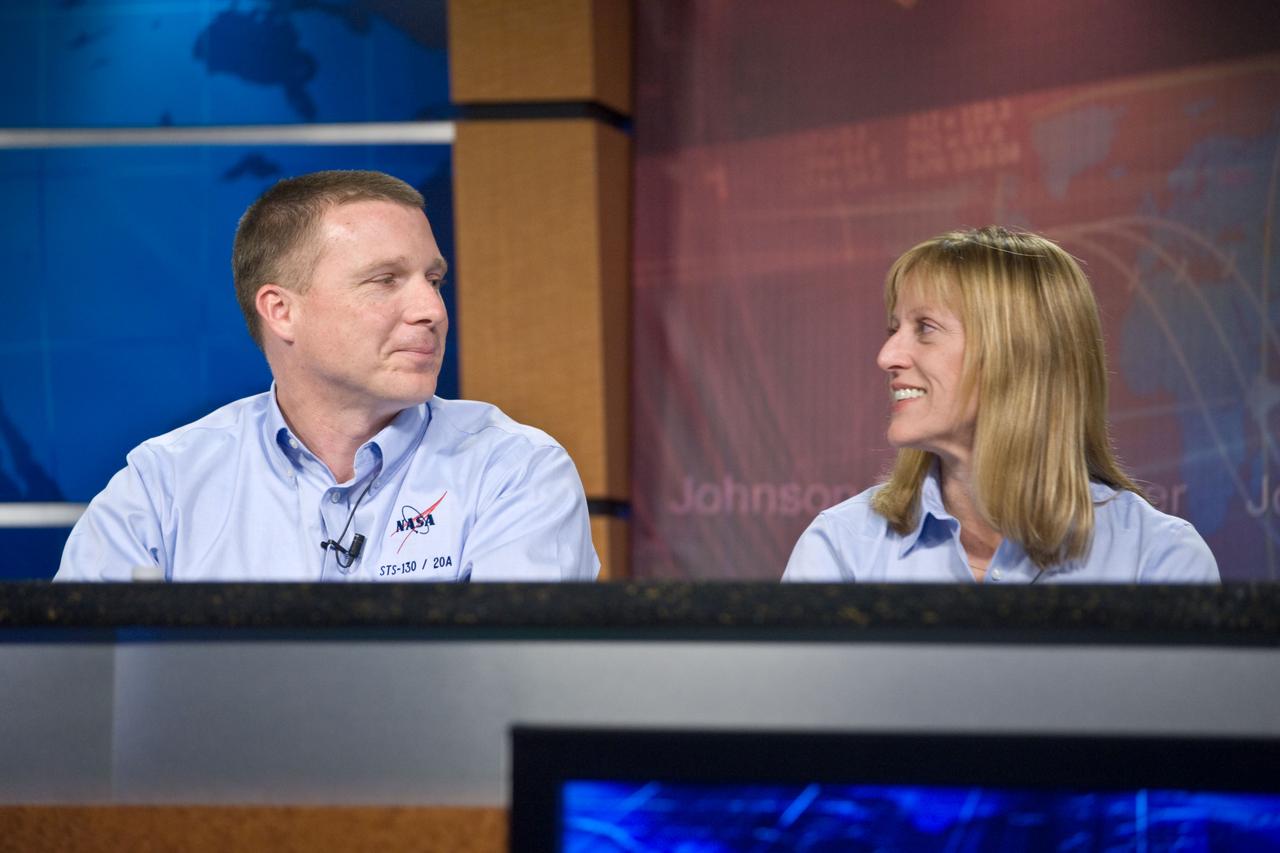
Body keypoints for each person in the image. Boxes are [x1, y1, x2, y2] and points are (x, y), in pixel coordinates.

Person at [57, 170, 599, 582]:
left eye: (433, 279)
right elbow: (76, 688)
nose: (431, 310)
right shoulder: (165, 486)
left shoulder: (514, 470)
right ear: (281, 310)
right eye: (385, 279)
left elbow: (507, 689)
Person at [783, 226, 1219, 584]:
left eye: (925, 328)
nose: (887, 356)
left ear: (1017, 353)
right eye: (894, 328)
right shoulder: (843, 547)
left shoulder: (1158, 560)